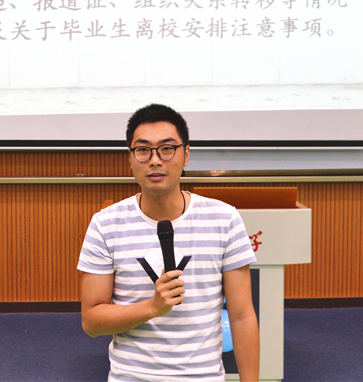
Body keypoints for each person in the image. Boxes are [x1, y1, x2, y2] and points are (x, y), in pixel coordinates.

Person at [78, 104, 259, 381]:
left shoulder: (224, 219)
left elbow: (242, 316)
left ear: (186, 155)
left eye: (167, 149)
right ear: (130, 159)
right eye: (143, 150)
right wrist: (153, 307)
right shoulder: (105, 224)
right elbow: (91, 322)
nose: (155, 160)